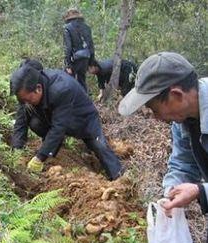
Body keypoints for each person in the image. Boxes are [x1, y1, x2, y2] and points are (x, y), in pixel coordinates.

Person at [118, 52, 208, 217]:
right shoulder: (184, 119)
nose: (156, 118)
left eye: (155, 110)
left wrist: (200, 190)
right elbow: (183, 162)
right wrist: (170, 191)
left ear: (176, 95)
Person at [11, 59, 123, 180]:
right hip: (54, 116)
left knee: (99, 146)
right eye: (23, 101)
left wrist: (40, 157)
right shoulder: (27, 91)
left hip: (83, 118)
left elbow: (59, 127)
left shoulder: (61, 89)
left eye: (28, 100)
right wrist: (16, 152)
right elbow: (20, 122)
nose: (26, 104)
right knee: (35, 123)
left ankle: (118, 176)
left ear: (38, 89)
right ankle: (54, 145)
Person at [63, 8, 95, 92]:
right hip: (86, 57)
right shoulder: (87, 27)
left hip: (75, 58)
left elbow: (68, 47)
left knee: (69, 81)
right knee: (82, 80)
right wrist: (91, 63)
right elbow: (91, 46)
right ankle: (85, 101)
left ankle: (71, 102)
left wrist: (68, 65)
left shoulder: (67, 28)